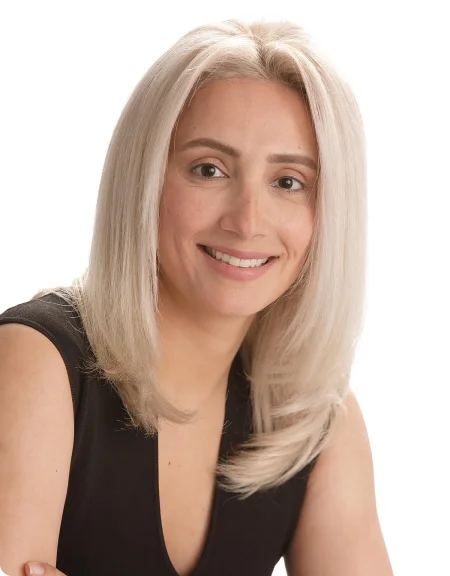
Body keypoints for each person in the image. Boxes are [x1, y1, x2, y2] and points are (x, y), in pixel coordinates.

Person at [0, 18, 394, 576]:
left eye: (288, 182)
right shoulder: (36, 360)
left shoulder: (311, 417)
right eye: (209, 170)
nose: (247, 221)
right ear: (145, 182)